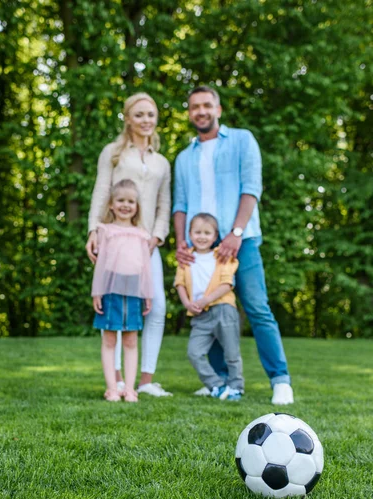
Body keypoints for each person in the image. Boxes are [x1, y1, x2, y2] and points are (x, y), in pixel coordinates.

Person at [173, 85, 294, 405]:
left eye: (206, 105)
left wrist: (235, 233)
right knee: (208, 308)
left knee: (256, 307)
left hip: (243, 241)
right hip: (201, 250)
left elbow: (251, 189)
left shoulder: (242, 140)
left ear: (218, 109)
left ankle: (280, 380)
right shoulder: (184, 157)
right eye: (195, 106)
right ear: (189, 113)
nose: (201, 111)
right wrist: (180, 243)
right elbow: (180, 204)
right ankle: (220, 381)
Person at [86, 92, 172, 397]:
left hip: (147, 242)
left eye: (150, 114)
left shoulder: (162, 162)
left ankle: (145, 380)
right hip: (116, 241)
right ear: (127, 118)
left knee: (156, 305)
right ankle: (118, 380)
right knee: (116, 304)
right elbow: (101, 191)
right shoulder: (113, 152)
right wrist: (94, 230)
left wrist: (156, 237)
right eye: (139, 114)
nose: (146, 120)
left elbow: (164, 205)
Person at [92, 179, 153, 402]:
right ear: (111, 204)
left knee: (130, 340)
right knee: (109, 340)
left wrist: (148, 294)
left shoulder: (142, 234)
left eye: (130, 201)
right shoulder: (105, 231)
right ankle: (111, 388)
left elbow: (146, 268)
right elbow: (100, 266)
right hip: (110, 290)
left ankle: (129, 388)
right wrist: (96, 292)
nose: (125, 205)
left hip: (135, 290)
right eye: (120, 200)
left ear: (137, 206)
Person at [175, 213, 244, 400]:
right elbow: (180, 283)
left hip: (224, 309)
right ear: (190, 234)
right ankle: (217, 385)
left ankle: (236, 387)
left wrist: (206, 300)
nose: (202, 236)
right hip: (200, 315)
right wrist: (187, 303)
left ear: (215, 236)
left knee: (231, 353)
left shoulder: (222, 257)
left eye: (207, 233)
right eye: (197, 232)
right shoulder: (185, 259)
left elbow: (227, 284)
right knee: (194, 352)